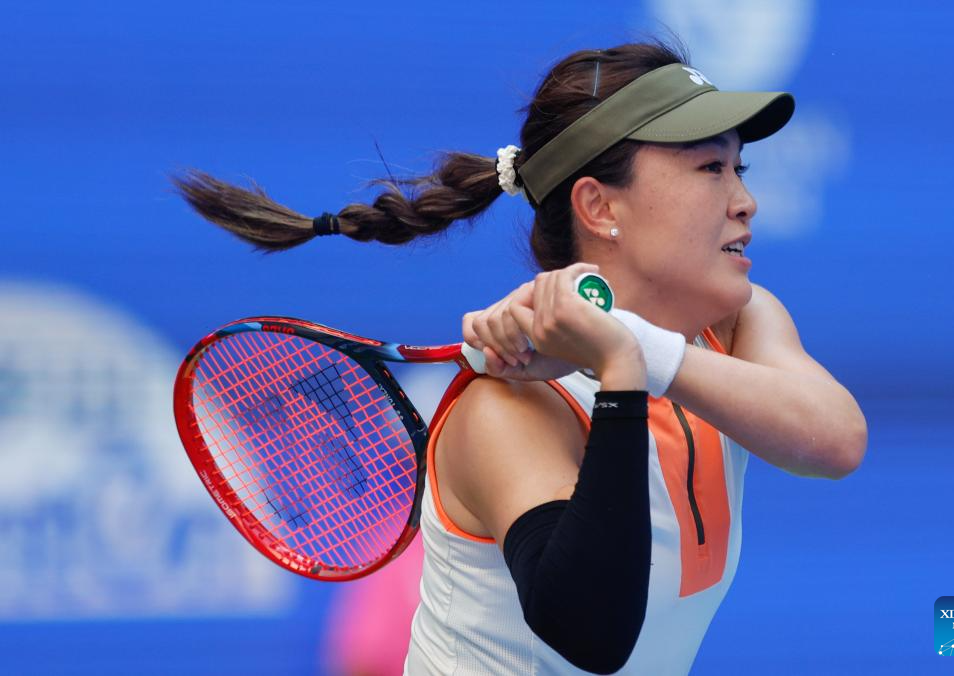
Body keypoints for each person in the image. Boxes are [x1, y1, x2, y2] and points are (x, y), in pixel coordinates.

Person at [171, 38, 868, 675]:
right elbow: (594, 634)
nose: (746, 201)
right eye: (710, 168)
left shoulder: (732, 327)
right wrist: (622, 373)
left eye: (739, 167)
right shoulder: (507, 407)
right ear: (600, 208)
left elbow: (837, 443)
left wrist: (634, 347)